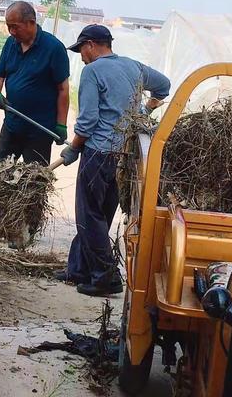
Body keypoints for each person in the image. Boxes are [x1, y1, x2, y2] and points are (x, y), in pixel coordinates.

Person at [56, 24, 171, 297]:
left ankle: (106, 277)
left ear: (92, 45)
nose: (81, 56)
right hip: (125, 156)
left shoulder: (92, 71)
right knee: (101, 214)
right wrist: (147, 107)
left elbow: (87, 122)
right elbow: (164, 86)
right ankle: (79, 269)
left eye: (81, 50)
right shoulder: (133, 67)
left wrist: (73, 148)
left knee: (89, 215)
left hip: (98, 153)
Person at [0, 1, 70, 165]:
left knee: (34, 183)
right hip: (11, 126)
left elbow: (63, 90)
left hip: (40, 131)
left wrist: (61, 125)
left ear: (31, 23)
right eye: (8, 26)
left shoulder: (54, 48)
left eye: (15, 26)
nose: (11, 31)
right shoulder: (10, 44)